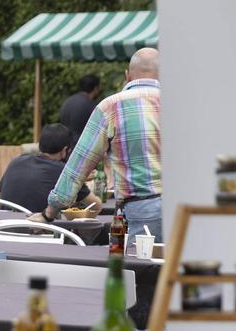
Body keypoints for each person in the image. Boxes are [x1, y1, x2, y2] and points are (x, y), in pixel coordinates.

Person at [34, 48, 163, 238]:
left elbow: (78, 166)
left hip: (141, 211)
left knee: (140, 266)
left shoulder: (110, 106)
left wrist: (49, 213)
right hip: (188, 210)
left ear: (127, 76)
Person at [0, 123, 100, 214]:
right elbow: (96, 205)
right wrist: (78, 181)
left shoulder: (15, 162)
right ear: (65, 150)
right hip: (41, 232)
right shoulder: (64, 172)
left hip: (2, 231)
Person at [60, 74, 102, 142]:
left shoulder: (68, 102)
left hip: (66, 145)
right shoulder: (92, 106)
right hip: (82, 146)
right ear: (95, 88)